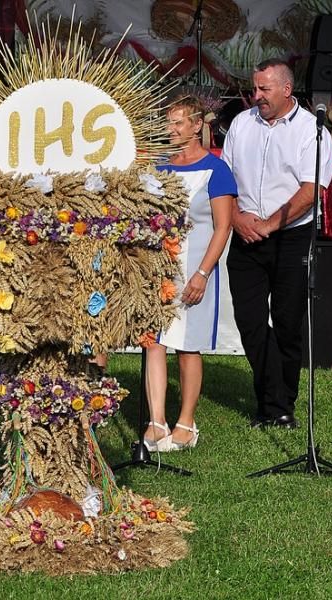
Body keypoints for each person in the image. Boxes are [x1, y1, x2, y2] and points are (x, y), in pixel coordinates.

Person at [222, 59, 332, 429]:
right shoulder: (242, 123)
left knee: (287, 322)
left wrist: (270, 225)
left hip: (290, 236)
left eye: (263, 89)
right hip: (245, 234)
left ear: (286, 90)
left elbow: (310, 191)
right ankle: (275, 401)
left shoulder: (311, 132)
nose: (256, 97)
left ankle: (279, 403)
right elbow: (225, 179)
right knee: (250, 321)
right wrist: (237, 217)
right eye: (255, 89)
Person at [144, 95, 236, 451]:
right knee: (154, 341)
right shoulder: (160, 168)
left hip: (195, 270)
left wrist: (202, 273)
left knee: (187, 346)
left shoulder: (217, 170)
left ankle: (186, 422)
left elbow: (222, 227)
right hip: (160, 269)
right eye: (169, 122)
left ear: (197, 125)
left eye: (179, 122)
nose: (172, 129)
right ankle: (156, 421)